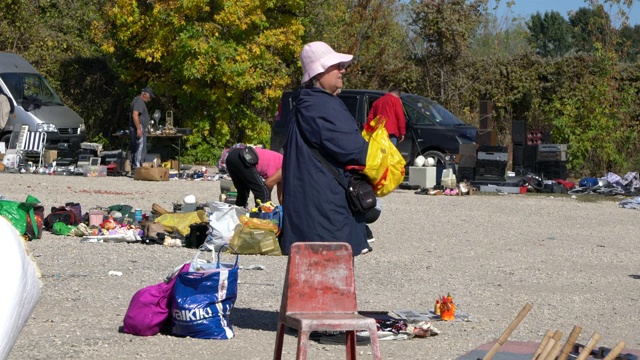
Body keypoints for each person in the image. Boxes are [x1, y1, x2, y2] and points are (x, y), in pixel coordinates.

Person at [280, 41, 370, 256]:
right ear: (318, 73)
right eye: (336, 65)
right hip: (326, 212)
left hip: (309, 210)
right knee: (330, 279)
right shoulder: (322, 105)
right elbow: (356, 151)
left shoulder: (305, 103)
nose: (342, 70)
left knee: (309, 278)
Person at [129, 87, 155, 172]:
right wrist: (139, 129)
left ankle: (135, 168)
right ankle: (138, 169)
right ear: (144, 94)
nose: (150, 99)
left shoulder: (137, 100)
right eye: (149, 97)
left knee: (136, 149)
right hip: (138, 127)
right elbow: (135, 115)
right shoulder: (139, 101)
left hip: (137, 127)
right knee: (140, 149)